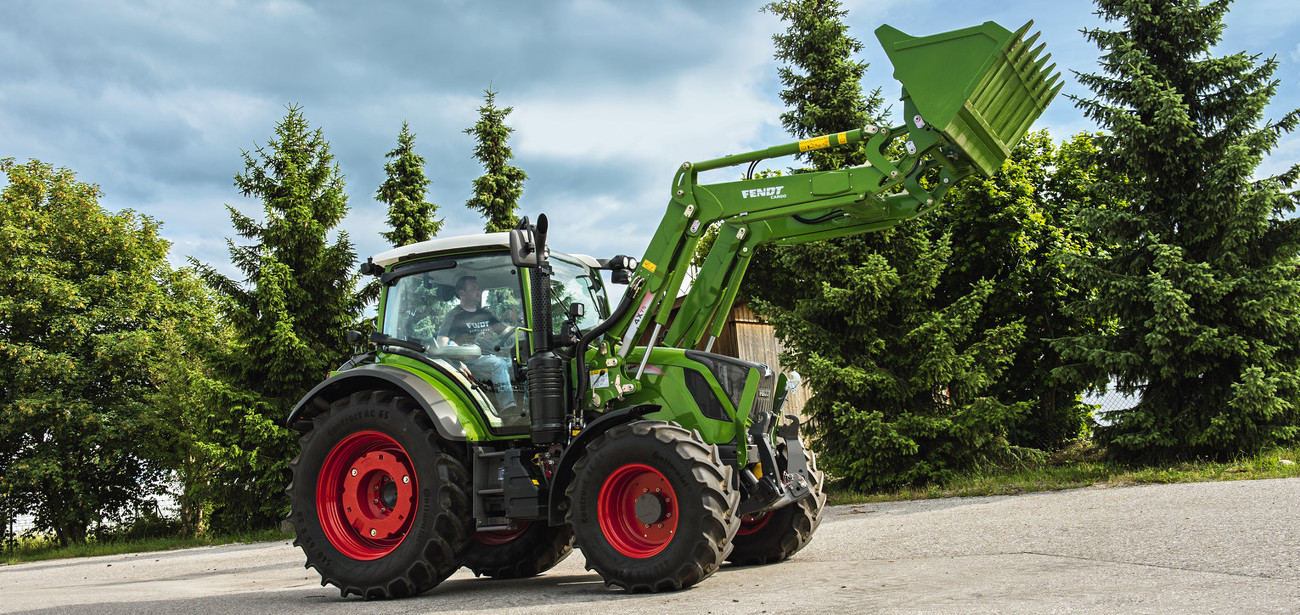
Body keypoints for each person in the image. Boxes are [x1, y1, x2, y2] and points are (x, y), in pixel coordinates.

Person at [438, 276, 518, 413]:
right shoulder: (455, 315)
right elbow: (442, 340)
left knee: (521, 364)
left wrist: (526, 330)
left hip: (491, 357)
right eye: (474, 288)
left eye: (479, 288)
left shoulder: (485, 313)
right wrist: (457, 361)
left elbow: (506, 331)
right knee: (498, 364)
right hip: (471, 360)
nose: (478, 291)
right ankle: (508, 409)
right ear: (462, 293)